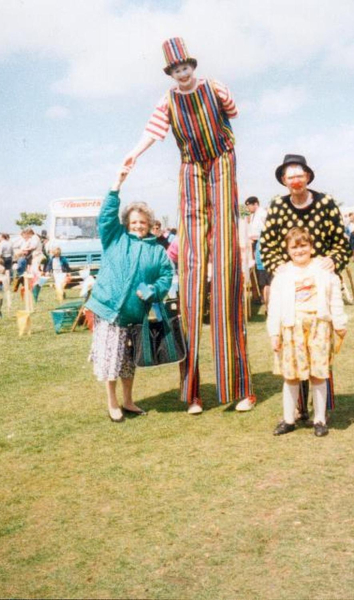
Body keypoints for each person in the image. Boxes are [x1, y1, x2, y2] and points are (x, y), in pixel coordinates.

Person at [121, 37, 255, 414]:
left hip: (222, 162)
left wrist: (219, 112)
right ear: (170, 73)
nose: (182, 74)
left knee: (226, 268)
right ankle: (193, 392)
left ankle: (242, 388)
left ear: (192, 67)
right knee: (193, 275)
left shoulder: (214, 86)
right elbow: (153, 132)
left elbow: (234, 111)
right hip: (191, 168)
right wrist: (134, 154)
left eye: (185, 68)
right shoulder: (166, 101)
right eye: (176, 70)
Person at [260, 153, 351, 422]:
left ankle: (321, 411)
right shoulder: (277, 206)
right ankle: (298, 409)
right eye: (290, 177)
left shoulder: (326, 203)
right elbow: (267, 246)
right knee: (293, 353)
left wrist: (332, 261)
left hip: (321, 281)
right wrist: (280, 268)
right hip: (291, 284)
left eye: (300, 175)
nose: (296, 181)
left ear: (308, 176)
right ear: (284, 181)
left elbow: (341, 242)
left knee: (319, 354)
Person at [86, 167, 173, 422]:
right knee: (110, 359)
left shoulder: (157, 252)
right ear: (127, 223)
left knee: (128, 361)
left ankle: (129, 400)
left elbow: (165, 277)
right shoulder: (115, 238)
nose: (138, 226)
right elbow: (105, 216)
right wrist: (116, 186)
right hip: (108, 310)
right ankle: (112, 403)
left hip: (134, 314)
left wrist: (152, 290)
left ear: (150, 225)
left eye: (143, 223)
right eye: (134, 222)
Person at [267, 228, 347, 437]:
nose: (299, 250)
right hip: (291, 330)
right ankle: (288, 419)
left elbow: (335, 299)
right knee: (291, 376)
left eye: (303, 246)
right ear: (287, 250)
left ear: (311, 247)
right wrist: (274, 333)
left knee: (319, 374)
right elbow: (274, 306)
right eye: (294, 247)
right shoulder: (283, 274)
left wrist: (339, 322)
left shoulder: (323, 271)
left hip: (319, 327)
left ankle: (319, 419)